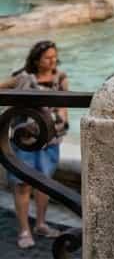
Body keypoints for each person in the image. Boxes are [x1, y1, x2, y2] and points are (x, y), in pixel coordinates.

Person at [4, 41, 69, 249]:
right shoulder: (22, 77)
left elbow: (64, 106)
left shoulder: (60, 77)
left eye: (54, 56)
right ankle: (24, 230)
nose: (52, 61)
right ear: (36, 59)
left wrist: (61, 123)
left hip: (50, 139)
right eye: (47, 57)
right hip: (24, 140)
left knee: (45, 185)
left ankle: (41, 224)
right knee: (22, 185)